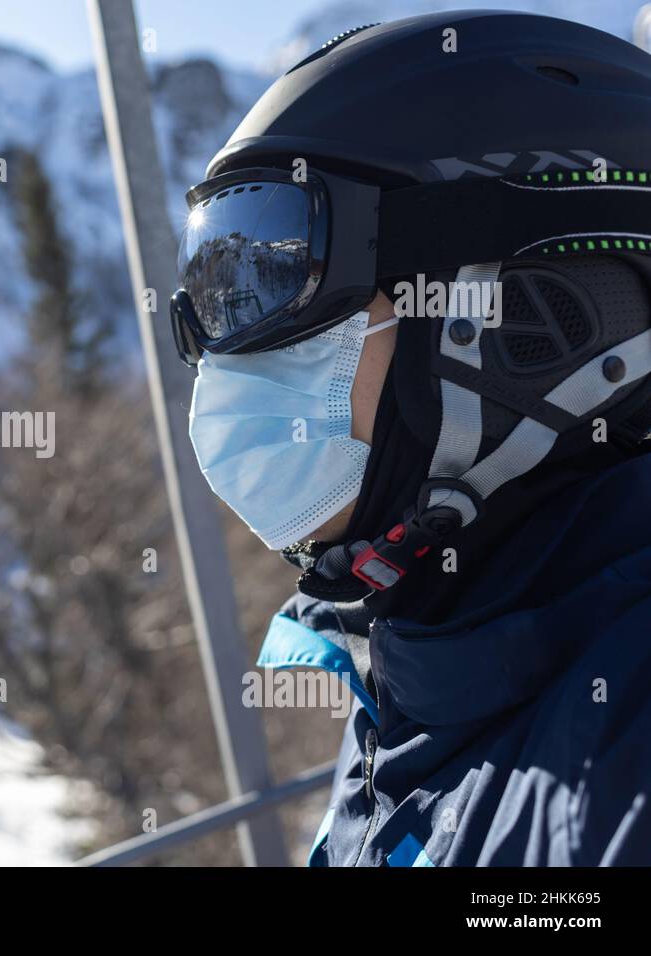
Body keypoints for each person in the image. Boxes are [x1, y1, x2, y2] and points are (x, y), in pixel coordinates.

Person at [174, 10, 651, 865]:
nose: (226, 356)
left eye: (279, 276)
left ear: (537, 324)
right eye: (215, 287)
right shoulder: (404, 662)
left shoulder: (618, 774)